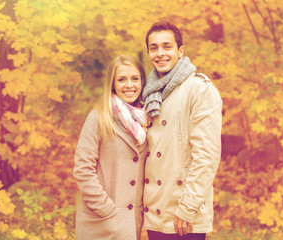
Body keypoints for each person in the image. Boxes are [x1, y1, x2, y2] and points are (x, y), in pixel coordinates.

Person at [142, 22, 223, 240]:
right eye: (154, 47)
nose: (160, 53)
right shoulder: (149, 94)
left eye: (167, 46)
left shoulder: (199, 88)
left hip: (184, 214)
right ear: (148, 52)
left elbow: (206, 155)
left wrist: (187, 207)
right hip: (155, 211)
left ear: (180, 51)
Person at [73, 54, 150, 240]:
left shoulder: (147, 119)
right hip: (102, 221)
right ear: (113, 84)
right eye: (122, 79)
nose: (129, 85)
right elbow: (83, 170)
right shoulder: (98, 117)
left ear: (142, 81)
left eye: (134, 78)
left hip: (132, 222)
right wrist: (106, 209)